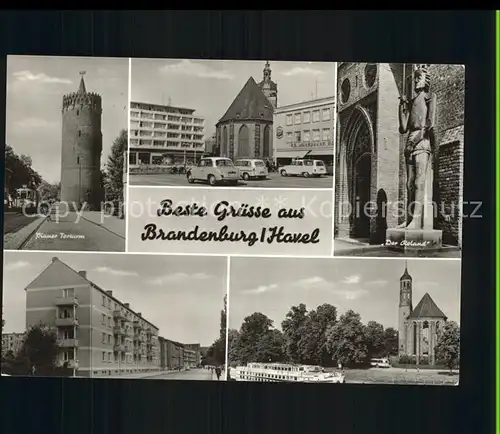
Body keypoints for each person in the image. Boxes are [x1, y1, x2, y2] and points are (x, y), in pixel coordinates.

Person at [397, 64, 437, 230]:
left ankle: (416, 220)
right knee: (409, 183)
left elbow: (429, 124)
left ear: (425, 80)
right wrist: (401, 108)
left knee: (419, 181)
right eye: (414, 79)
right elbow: (404, 128)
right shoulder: (413, 101)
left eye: (418, 78)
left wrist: (413, 142)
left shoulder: (429, 97)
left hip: (421, 142)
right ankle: (408, 219)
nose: (415, 82)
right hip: (410, 142)